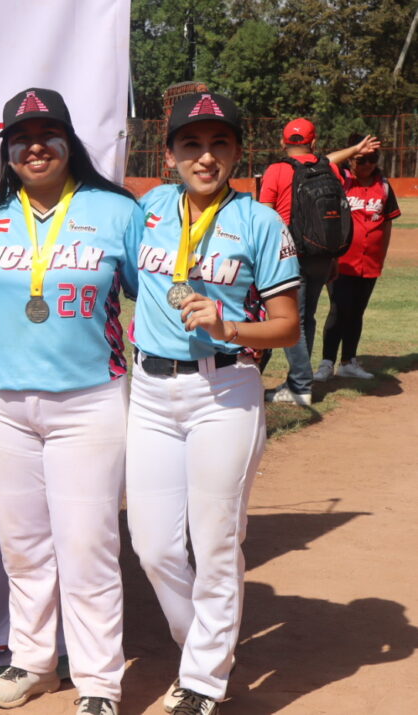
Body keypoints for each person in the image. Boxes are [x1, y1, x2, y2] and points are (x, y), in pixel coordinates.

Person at [128, 92, 300, 715]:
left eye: (219, 143)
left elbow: (286, 327)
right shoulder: (148, 210)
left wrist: (229, 326)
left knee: (216, 538)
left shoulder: (259, 222)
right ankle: (202, 641)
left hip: (223, 388)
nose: (206, 157)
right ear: (169, 153)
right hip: (148, 391)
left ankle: (202, 679)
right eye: (192, 144)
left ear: (236, 152)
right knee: (153, 546)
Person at [0, 88, 141, 715]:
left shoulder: (117, 209)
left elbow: (145, 295)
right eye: (22, 137)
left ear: (70, 140)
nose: (35, 146)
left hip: (89, 399)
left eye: (48, 134)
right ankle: (32, 660)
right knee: (23, 545)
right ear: (7, 150)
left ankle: (98, 680)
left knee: (88, 542)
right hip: (1, 401)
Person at [257, 120, 379, 405]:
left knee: (291, 322)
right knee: (305, 318)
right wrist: (353, 150)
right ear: (314, 143)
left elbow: (264, 216)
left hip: (291, 256)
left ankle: (299, 386)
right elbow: (328, 159)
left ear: (282, 143)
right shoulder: (328, 168)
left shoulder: (276, 170)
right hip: (323, 255)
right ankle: (301, 380)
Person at [314, 139, 402, 381]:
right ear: (352, 159)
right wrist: (354, 149)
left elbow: (386, 223)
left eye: (373, 160)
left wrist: (381, 258)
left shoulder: (383, 185)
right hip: (341, 262)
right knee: (338, 310)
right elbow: (325, 161)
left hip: (369, 262)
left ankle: (348, 361)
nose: (368, 165)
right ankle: (326, 363)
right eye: (362, 160)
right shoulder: (340, 180)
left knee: (356, 312)